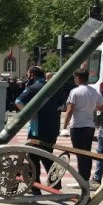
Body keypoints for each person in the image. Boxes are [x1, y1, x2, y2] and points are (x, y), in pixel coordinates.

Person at [62, 68, 103, 184]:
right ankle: (86, 179)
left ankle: (82, 180)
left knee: (80, 154)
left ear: (78, 78)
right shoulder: (95, 92)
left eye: (75, 78)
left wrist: (64, 127)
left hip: (77, 126)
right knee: (87, 153)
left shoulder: (75, 92)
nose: (75, 80)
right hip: (89, 126)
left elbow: (70, 109)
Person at [15, 66, 63, 194]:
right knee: (47, 156)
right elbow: (60, 106)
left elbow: (18, 101)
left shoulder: (33, 88)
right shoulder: (53, 88)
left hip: (37, 128)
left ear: (32, 75)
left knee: (33, 158)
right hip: (52, 128)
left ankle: (35, 187)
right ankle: (56, 184)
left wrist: (29, 113)